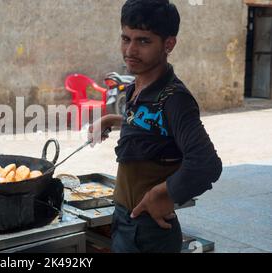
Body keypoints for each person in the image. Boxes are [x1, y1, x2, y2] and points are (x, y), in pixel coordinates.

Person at [88, 0, 222, 253]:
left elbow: (206, 164)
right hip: (124, 218)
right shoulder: (135, 88)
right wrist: (113, 121)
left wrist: (164, 194)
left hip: (149, 230)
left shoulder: (174, 99)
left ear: (168, 44)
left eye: (143, 41)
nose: (130, 50)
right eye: (126, 39)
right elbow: (154, 129)